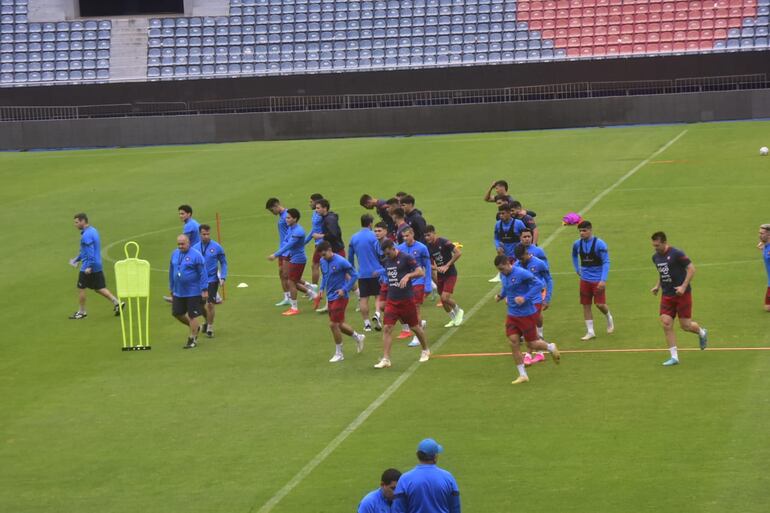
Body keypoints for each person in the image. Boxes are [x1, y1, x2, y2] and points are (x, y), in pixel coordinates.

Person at [495, 255, 560, 384]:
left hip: (526, 314)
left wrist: (525, 297)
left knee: (532, 344)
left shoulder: (521, 273)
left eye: (502, 269)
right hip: (512, 315)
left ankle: (551, 347)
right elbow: (506, 288)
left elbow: (539, 285)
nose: (501, 272)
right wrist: (500, 296)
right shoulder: (504, 275)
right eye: (499, 270)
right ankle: (523, 375)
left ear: (508, 263)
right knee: (513, 342)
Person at [650, 232, 709, 366]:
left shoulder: (676, 253)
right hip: (667, 295)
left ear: (664, 242)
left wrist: (683, 286)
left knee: (685, 326)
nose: (655, 248)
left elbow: (691, 269)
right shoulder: (655, 257)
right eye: (653, 245)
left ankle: (701, 332)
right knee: (666, 323)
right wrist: (657, 286)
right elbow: (662, 272)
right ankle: (674, 357)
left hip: (682, 295)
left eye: (657, 245)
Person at [374, 239, 430, 368]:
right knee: (387, 328)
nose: (387, 256)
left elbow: (420, 272)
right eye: (385, 254)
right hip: (392, 300)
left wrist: (408, 276)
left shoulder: (406, 258)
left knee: (415, 327)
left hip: (406, 300)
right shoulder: (387, 260)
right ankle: (386, 359)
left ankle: (425, 349)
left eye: (388, 253)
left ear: (393, 248)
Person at [68, 213, 124, 319]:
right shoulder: (93, 230)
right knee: (99, 288)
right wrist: (76, 259)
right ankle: (117, 303)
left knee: (81, 288)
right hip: (97, 264)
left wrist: (89, 266)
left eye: (76, 222)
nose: (75, 225)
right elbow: (86, 251)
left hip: (88, 266)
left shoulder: (86, 236)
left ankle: (82, 312)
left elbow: (90, 252)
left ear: (83, 221)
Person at [318, 241, 365, 362]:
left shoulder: (341, 261)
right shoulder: (323, 261)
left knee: (333, 324)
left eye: (324, 254)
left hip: (340, 297)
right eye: (321, 255)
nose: (323, 257)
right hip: (330, 297)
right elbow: (325, 276)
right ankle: (358, 337)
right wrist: (321, 289)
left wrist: (344, 289)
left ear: (330, 250)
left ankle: (339, 353)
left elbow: (355, 275)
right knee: (339, 324)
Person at [267, 208, 318, 316]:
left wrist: (275, 255)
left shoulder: (298, 231)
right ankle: (313, 294)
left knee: (291, 282)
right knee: (293, 281)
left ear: (295, 219)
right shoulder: (290, 228)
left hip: (298, 259)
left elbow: (288, 245)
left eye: (289, 218)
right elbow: (286, 242)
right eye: (286, 217)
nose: (286, 219)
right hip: (291, 257)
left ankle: (295, 308)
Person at [571, 220, 614, 340]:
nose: (581, 233)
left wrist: (603, 280)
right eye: (580, 231)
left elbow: (606, 261)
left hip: (597, 279)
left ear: (590, 230)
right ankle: (590, 332)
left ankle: (609, 317)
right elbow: (574, 255)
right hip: (585, 279)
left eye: (584, 231)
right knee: (586, 305)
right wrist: (577, 268)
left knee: (600, 304)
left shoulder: (600, 244)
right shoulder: (577, 244)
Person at [392, 439, 461, 513]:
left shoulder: (404, 479)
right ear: (435, 457)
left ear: (417, 455)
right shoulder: (448, 478)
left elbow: (398, 510)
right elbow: (455, 508)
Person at [514, 244, 553, 365]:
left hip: (537, 297)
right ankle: (540, 351)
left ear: (526, 253)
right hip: (525, 299)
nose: (521, 261)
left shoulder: (539, 263)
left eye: (522, 258)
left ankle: (531, 354)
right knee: (530, 325)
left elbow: (549, 280)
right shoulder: (517, 265)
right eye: (519, 259)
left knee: (530, 325)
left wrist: (547, 298)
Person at [169, 234, 208, 349]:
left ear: (188, 243)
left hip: (193, 292)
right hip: (178, 291)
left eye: (182, 244)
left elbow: (203, 273)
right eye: (178, 244)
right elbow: (171, 271)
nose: (180, 246)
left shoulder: (196, 255)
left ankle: (192, 339)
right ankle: (195, 327)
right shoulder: (174, 254)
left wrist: (204, 289)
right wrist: (171, 287)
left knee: (192, 316)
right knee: (177, 313)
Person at [397, 227, 432, 346]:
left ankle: (417, 336)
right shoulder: (399, 248)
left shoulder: (422, 248)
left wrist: (428, 284)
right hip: (406, 283)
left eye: (407, 236)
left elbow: (427, 266)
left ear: (413, 234)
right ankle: (421, 324)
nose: (405, 238)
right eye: (403, 236)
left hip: (418, 281)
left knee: (415, 308)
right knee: (405, 310)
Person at [424, 225, 464, 328]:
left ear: (434, 233)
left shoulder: (443, 241)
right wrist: (437, 268)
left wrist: (447, 265)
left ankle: (458, 310)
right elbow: (429, 264)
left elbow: (458, 253)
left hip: (451, 274)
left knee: (444, 297)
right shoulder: (428, 247)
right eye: (425, 236)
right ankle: (453, 319)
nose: (427, 238)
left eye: (428, 235)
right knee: (443, 300)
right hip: (441, 275)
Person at [349, 214, 383, 332]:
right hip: (376, 272)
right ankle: (377, 313)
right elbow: (380, 254)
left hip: (362, 273)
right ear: (370, 223)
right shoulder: (375, 236)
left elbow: (350, 257)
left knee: (363, 298)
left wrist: (352, 270)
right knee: (378, 295)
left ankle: (367, 324)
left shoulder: (354, 237)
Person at [192, 224, 228, 338]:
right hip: (199, 280)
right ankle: (207, 321)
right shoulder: (194, 248)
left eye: (208, 234)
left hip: (212, 279)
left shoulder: (217, 247)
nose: (206, 236)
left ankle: (210, 328)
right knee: (201, 305)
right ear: (200, 234)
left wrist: (223, 277)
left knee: (210, 304)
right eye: (204, 234)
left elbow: (223, 262)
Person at [314, 198, 346, 312]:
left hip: (335, 252)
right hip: (333, 251)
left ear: (325, 208)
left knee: (345, 276)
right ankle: (329, 304)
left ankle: (359, 296)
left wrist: (320, 236)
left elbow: (333, 234)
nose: (316, 210)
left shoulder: (329, 219)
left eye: (318, 208)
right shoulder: (327, 218)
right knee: (330, 277)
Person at [266, 197, 292, 307]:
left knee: (288, 275)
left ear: (276, 205)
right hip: (282, 249)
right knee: (282, 273)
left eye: (272, 210)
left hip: (287, 250)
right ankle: (287, 297)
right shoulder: (282, 216)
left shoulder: (287, 216)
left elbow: (292, 233)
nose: (272, 213)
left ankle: (310, 289)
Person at [305, 193, 325, 301]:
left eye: (311, 202)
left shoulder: (322, 215)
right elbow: (313, 230)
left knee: (315, 265)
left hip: (322, 243)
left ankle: (314, 290)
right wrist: (305, 241)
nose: (310, 204)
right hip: (318, 242)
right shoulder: (315, 213)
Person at [372, 221, 391, 330]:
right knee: (383, 305)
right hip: (385, 278)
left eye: (379, 231)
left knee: (398, 305)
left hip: (394, 278)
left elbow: (394, 263)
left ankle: (409, 326)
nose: (377, 233)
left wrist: (381, 272)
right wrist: (381, 275)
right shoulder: (376, 245)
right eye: (375, 231)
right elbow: (380, 262)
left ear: (385, 231)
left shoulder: (390, 245)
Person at [760, 224, 770, 312]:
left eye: (762, 233)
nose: (760, 235)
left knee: (768, 307)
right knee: (767, 307)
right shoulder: (765, 245)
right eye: (759, 233)